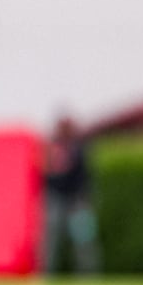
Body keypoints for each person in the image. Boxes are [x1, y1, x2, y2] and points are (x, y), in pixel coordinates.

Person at [40, 115, 100, 275]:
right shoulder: (51, 147)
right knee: (50, 239)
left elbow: (85, 176)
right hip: (56, 198)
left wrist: (83, 197)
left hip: (77, 200)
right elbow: (46, 175)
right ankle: (45, 274)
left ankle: (87, 275)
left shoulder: (80, 148)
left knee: (84, 241)